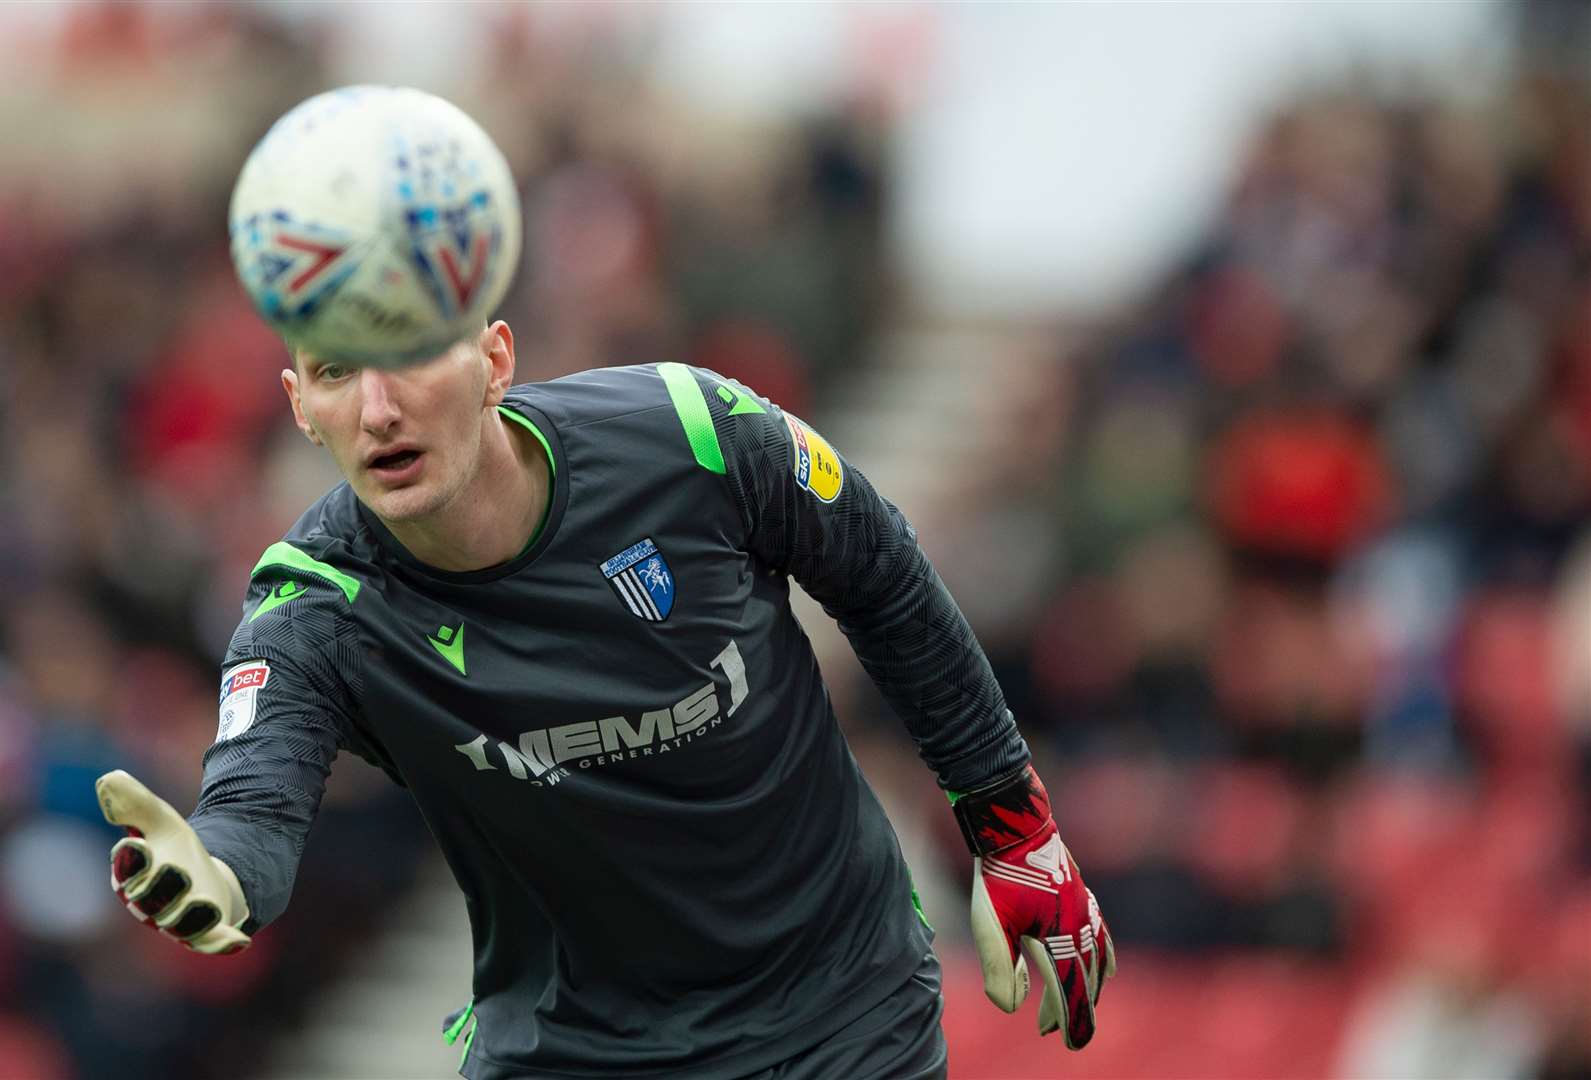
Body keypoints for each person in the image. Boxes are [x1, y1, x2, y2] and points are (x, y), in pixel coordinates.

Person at [95, 320, 1114, 1079]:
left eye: (410, 359)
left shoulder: (691, 434)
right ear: (297, 404)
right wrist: (218, 872)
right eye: (334, 375)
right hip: (572, 1050)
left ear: (493, 359)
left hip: (838, 1015)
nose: (377, 408)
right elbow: (253, 806)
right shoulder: (315, 604)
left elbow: (882, 575)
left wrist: (1010, 824)